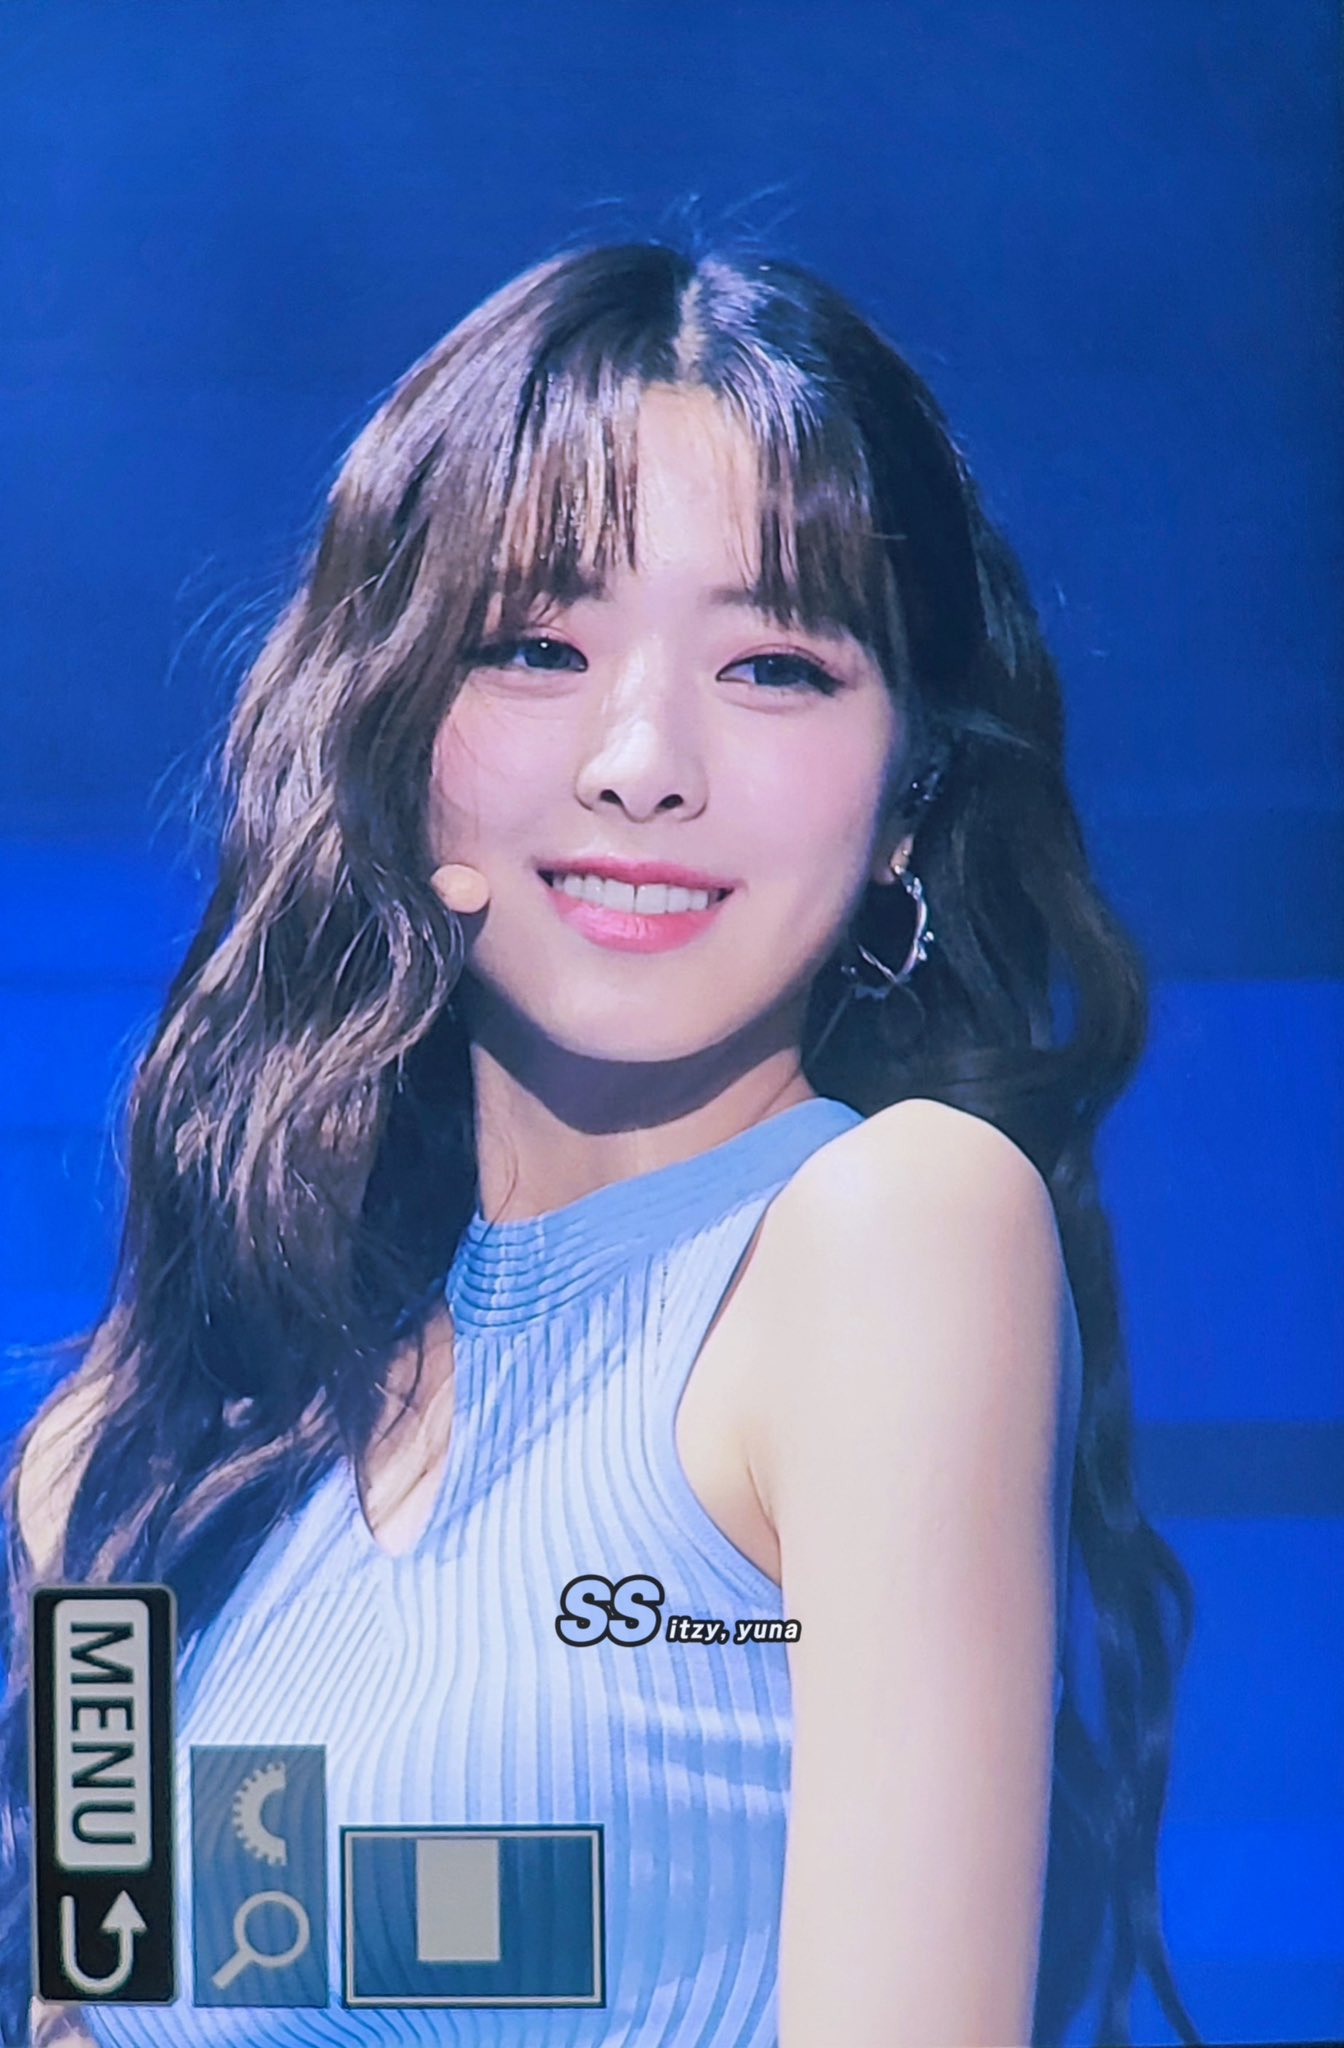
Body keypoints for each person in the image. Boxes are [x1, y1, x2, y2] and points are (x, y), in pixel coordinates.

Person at [2, 242, 1198, 2047]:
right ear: (393, 726)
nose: (642, 761)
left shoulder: (895, 1239)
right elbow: (86, 2014)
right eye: (538, 648)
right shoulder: (123, 1462)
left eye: (775, 665)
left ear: (909, 801)